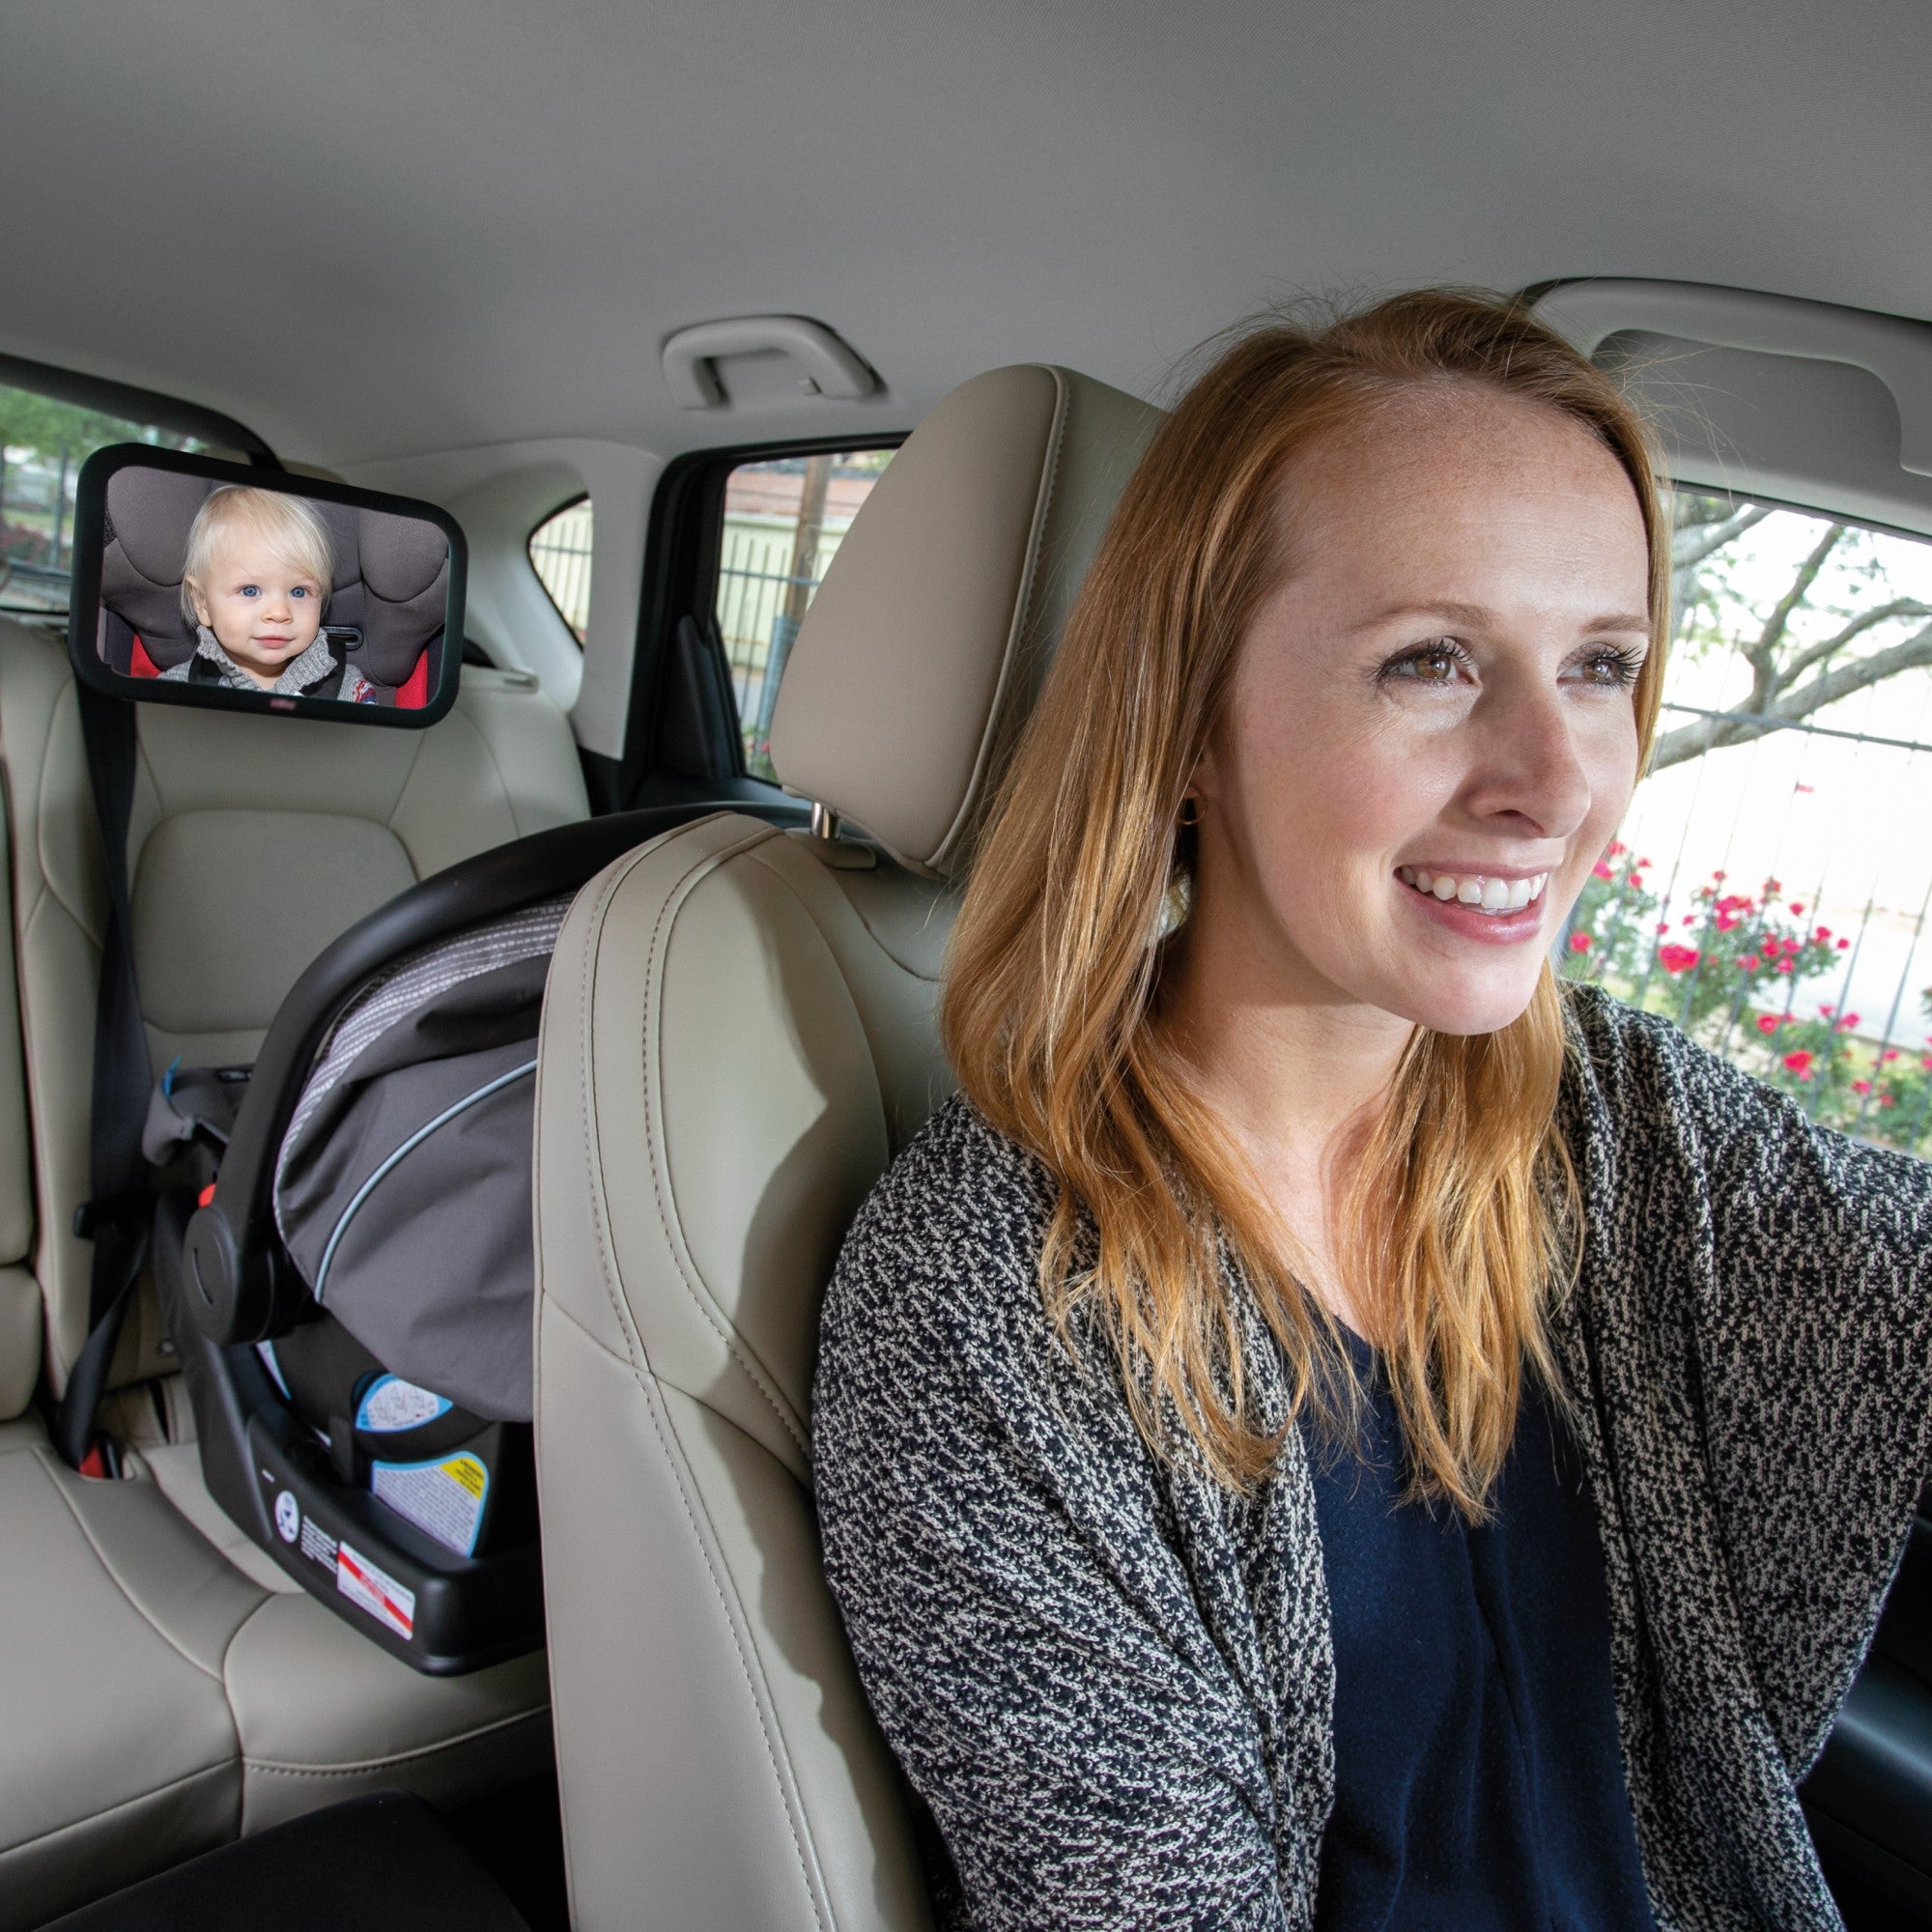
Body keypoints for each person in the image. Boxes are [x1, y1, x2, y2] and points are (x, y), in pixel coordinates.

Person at [811, 290, 1932, 1931]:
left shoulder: (1616, 1124)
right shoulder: (989, 1305)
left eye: (1602, 665)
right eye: (1431, 661)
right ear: (1190, 719)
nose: (1556, 781)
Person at [165, 484, 376, 700]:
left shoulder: (349, 691)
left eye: (299, 592)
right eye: (249, 591)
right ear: (202, 601)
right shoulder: (173, 691)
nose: (279, 613)